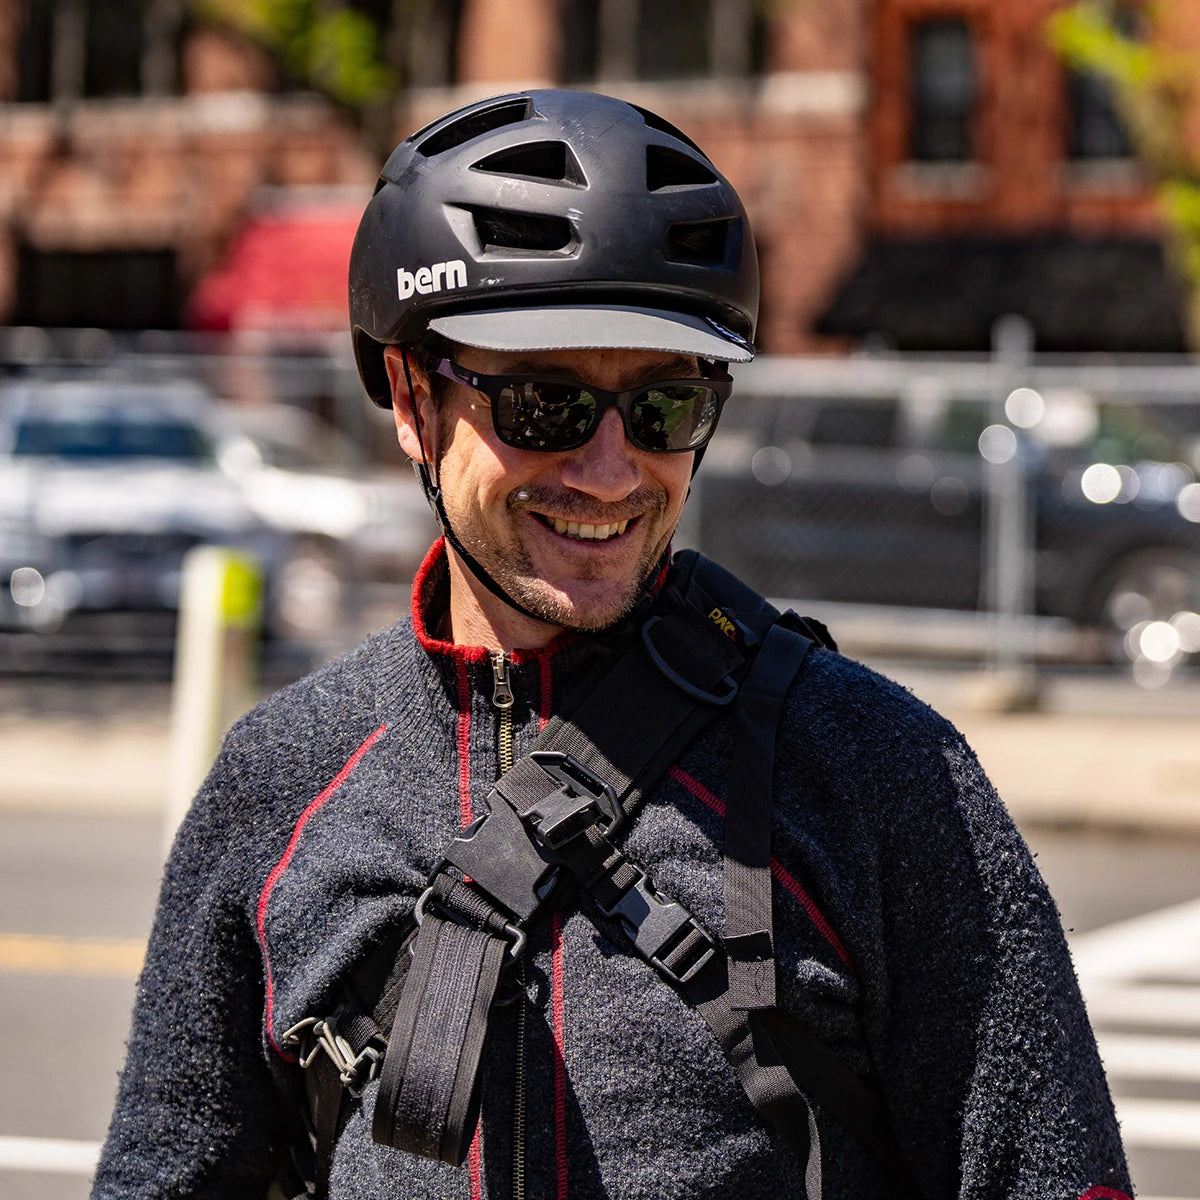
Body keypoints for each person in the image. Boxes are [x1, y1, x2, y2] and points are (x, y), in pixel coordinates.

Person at [93, 90, 1132, 1200]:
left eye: (663, 408)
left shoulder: (882, 775)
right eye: (544, 404)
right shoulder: (282, 785)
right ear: (408, 398)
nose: (607, 471)